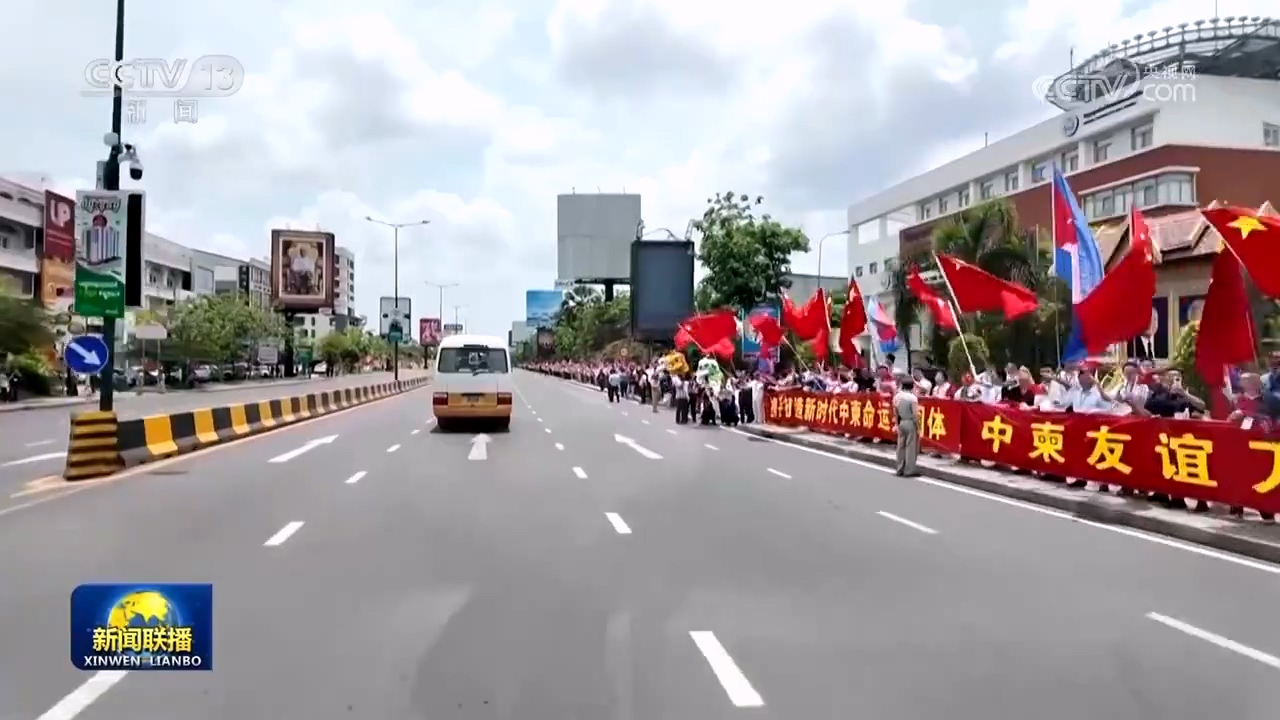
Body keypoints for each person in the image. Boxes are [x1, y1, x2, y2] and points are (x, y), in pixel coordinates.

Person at [894, 379, 920, 476]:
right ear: (912, 386)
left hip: (901, 422)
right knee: (910, 447)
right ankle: (909, 470)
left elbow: (895, 412)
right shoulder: (912, 398)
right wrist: (918, 427)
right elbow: (915, 414)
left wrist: (896, 424)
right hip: (910, 422)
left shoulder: (897, 396)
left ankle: (899, 468)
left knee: (901, 446)